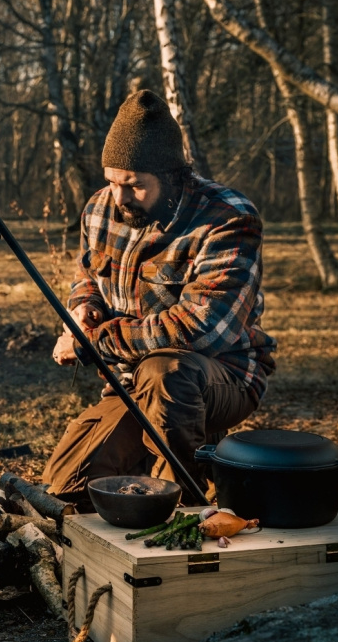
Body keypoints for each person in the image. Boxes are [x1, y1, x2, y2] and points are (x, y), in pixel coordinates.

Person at [42, 90, 277, 508]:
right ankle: (180, 461)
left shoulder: (229, 219)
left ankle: (185, 510)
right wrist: (84, 308)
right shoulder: (100, 208)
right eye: (112, 181)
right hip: (130, 380)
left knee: (167, 372)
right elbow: (86, 275)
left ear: (172, 176)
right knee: (69, 487)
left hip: (223, 375)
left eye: (134, 186)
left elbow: (200, 331)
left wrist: (94, 341)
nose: (120, 198)